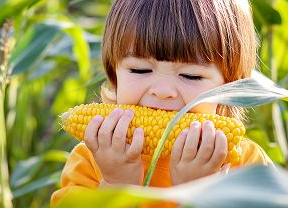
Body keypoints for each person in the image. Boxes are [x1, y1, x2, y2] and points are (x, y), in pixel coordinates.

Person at [51, 0, 273, 207]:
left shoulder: (247, 166)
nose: (163, 91)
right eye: (140, 70)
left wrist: (198, 194)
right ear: (114, 74)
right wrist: (116, 187)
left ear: (231, 87)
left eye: (191, 76)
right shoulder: (91, 161)